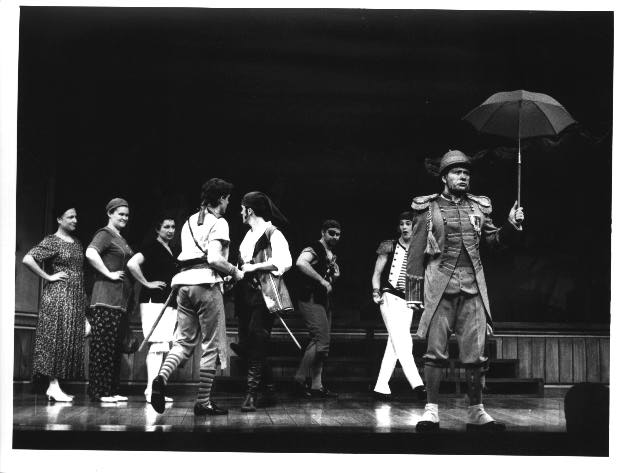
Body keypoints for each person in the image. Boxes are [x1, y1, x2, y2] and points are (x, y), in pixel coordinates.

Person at [406, 150, 524, 432]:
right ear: (444, 177)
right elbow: (415, 252)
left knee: (476, 354)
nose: (463, 177)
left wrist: (511, 225)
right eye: (457, 172)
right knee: (434, 353)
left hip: (473, 288)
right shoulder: (428, 208)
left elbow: (493, 241)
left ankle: (476, 411)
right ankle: (431, 410)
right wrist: (413, 295)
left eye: (466, 173)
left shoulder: (479, 207)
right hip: (439, 288)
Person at [150, 178, 243, 416]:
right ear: (221, 198)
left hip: (183, 286)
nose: (228, 203)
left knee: (183, 341)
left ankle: (161, 378)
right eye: (228, 199)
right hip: (205, 285)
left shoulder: (189, 221)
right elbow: (214, 258)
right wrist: (235, 272)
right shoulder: (219, 222)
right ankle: (203, 402)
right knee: (211, 345)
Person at [22, 205, 87, 402]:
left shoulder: (77, 243)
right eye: (70, 217)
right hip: (58, 296)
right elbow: (28, 259)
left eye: (76, 217)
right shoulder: (52, 241)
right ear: (59, 219)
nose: (75, 220)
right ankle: (52, 385)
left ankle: (56, 386)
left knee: (67, 339)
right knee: (55, 339)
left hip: (74, 297)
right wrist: (48, 277)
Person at [235, 191, 292, 412]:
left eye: (242, 208)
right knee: (250, 343)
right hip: (244, 295)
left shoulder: (273, 233)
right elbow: (241, 264)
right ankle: (269, 386)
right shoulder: (248, 235)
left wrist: (255, 267)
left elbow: (284, 262)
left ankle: (251, 394)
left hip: (264, 294)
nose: (240, 212)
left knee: (256, 340)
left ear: (249, 210)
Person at [371, 211, 426, 401]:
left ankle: (381, 386)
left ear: (414, 226)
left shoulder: (420, 249)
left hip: (408, 301)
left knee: (394, 342)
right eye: (402, 224)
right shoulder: (390, 245)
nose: (404, 227)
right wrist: (376, 291)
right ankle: (417, 384)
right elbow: (377, 273)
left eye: (408, 223)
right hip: (389, 297)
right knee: (403, 341)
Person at [85, 198, 135, 403]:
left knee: (114, 349)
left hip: (119, 302)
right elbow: (90, 253)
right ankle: (99, 392)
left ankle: (111, 390)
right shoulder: (105, 234)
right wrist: (108, 273)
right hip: (105, 299)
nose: (124, 218)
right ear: (110, 213)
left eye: (127, 215)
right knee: (103, 348)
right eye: (120, 214)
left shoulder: (120, 238)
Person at [127, 216, 179, 403]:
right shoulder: (152, 246)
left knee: (163, 345)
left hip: (168, 303)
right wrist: (147, 283)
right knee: (156, 346)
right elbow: (132, 263)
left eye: (173, 227)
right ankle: (150, 390)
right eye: (166, 227)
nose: (170, 230)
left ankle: (157, 390)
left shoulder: (171, 249)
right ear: (158, 229)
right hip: (153, 301)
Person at [292, 219, 341, 399]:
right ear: (323, 232)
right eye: (331, 233)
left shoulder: (330, 253)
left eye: (338, 234)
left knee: (322, 345)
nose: (335, 237)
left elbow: (327, 280)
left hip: (323, 300)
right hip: (310, 298)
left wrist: (333, 277)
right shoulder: (314, 248)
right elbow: (300, 263)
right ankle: (298, 380)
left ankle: (316, 385)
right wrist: (321, 280)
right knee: (321, 339)